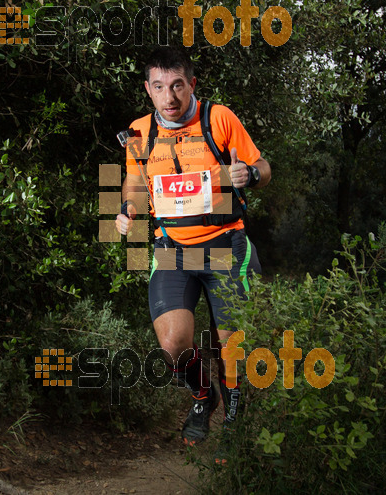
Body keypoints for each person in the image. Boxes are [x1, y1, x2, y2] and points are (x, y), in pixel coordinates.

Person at [115, 46, 271, 461]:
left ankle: (236, 424)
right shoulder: (137, 132)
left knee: (232, 346)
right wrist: (126, 211)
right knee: (172, 345)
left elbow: (264, 166)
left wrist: (250, 174)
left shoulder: (219, 118)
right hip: (171, 249)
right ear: (148, 89)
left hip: (225, 244)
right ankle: (204, 395)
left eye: (178, 85)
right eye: (160, 87)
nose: (170, 96)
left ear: (192, 85)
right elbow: (133, 186)